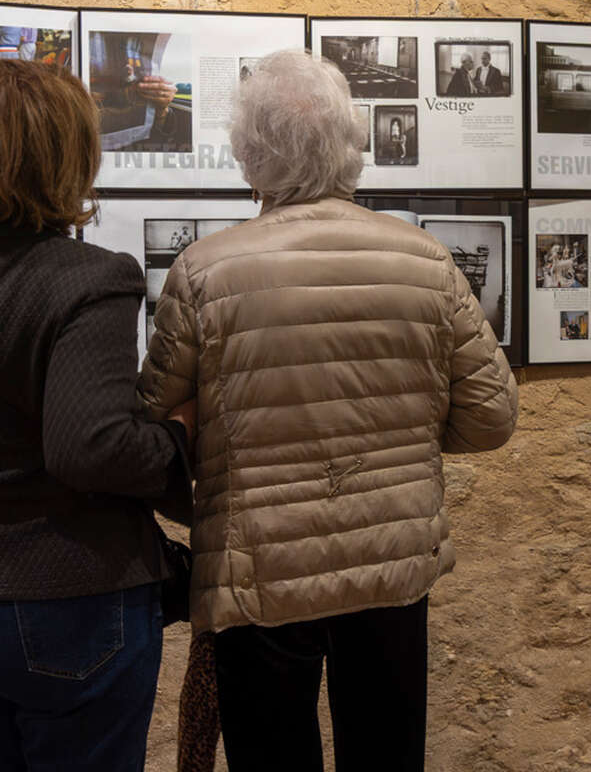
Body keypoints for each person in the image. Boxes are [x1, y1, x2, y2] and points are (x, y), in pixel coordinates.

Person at [139, 49, 518, 772]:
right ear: (353, 149)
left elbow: (158, 424)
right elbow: (491, 419)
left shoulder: (205, 272)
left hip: (261, 570)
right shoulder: (427, 262)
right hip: (391, 566)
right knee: (387, 753)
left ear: (250, 157)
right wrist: (404, 431)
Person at [0, 59, 195, 772]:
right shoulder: (87, 277)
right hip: (67, 597)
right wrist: (177, 438)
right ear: (70, 155)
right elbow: (91, 447)